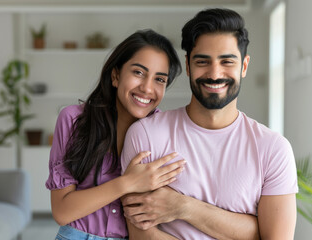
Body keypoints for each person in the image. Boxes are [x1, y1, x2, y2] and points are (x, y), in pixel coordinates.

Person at [121, 8, 298, 240]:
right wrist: (251, 229)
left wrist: (182, 206)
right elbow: (142, 235)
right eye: (203, 61)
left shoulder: (273, 149)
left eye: (227, 61)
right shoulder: (146, 135)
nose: (215, 74)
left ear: (244, 66)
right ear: (188, 65)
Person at [45, 29, 185, 240]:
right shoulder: (74, 120)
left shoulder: (165, 132)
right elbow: (62, 212)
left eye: (160, 79)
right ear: (116, 75)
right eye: (138, 72)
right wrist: (127, 183)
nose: (147, 88)